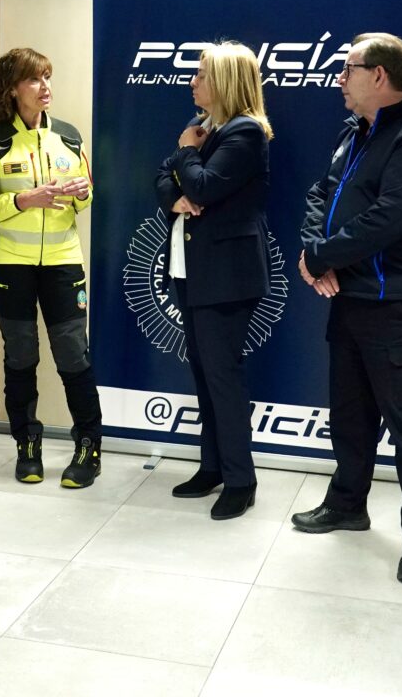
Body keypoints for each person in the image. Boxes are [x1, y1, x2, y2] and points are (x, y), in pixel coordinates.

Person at [294, 32, 402, 586]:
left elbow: (390, 218)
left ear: (379, 75)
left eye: (348, 69)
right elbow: (319, 195)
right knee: (350, 415)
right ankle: (347, 504)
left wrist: (320, 256)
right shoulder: (354, 132)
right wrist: (314, 252)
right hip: (349, 298)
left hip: (398, 305)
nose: (340, 79)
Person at [154, 42, 272, 520]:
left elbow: (202, 184)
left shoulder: (245, 132)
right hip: (193, 270)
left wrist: (187, 154)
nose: (193, 81)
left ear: (225, 81)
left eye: (201, 74)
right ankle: (213, 466)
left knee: (223, 378)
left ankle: (241, 480)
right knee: (205, 375)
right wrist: (175, 197)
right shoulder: (204, 127)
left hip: (226, 276)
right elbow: (163, 176)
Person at [0, 48, 101, 488]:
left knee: (73, 355)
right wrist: (23, 200)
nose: (45, 86)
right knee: (21, 356)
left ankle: (89, 448)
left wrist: (82, 192)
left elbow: (87, 198)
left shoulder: (69, 136)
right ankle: (27, 446)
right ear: (12, 89)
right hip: (9, 266)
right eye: (34, 79)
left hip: (63, 263)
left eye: (48, 77)